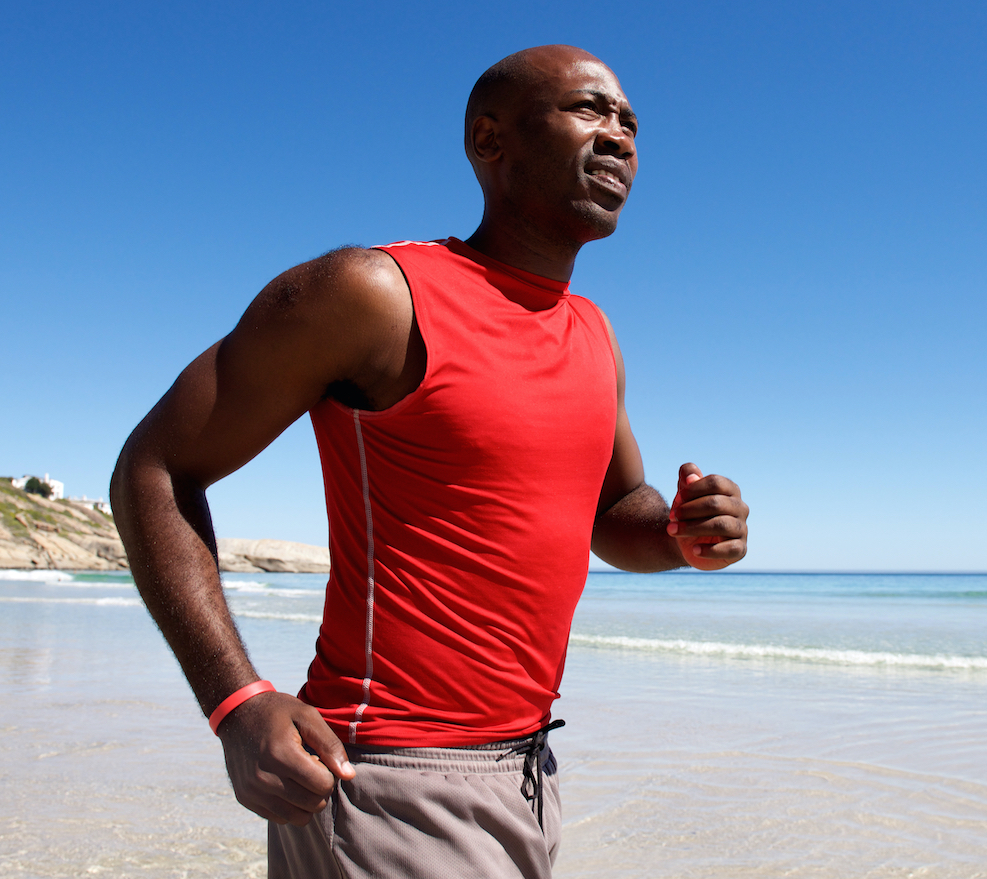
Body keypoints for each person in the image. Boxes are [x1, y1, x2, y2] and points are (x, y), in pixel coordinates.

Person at [111, 44, 749, 878]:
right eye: (590, 110)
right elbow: (153, 469)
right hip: (385, 779)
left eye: (631, 122)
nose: (621, 137)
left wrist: (680, 532)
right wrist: (235, 703)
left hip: (529, 772)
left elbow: (615, 509)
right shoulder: (374, 294)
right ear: (491, 139)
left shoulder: (594, 333)